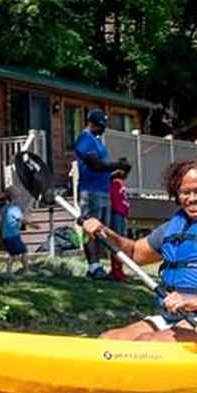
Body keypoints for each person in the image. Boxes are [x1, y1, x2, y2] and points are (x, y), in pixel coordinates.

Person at [80, 151, 197, 343]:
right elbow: (134, 253)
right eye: (185, 192)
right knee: (108, 339)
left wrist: (195, 302)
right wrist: (103, 232)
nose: (192, 199)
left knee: (149, 342)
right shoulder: (174, 228)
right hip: (175, 317)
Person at [73, 108, 125, 279]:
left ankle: (108, 268)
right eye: (101, 125)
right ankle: (93, 267)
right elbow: (94, 164)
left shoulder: (97, 141)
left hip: (103, 190)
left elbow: (101, 167)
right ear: (91, 123)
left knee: (103, 230)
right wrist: (115, 164)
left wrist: (115, 173)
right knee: (90, 229)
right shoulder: (85, 139)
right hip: (90, 191)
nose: (103, 128)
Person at [108, 164, 131, 283]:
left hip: (122, 216)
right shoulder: (114, 184)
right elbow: (114, 200)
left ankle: (119, 269)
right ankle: (115, 270)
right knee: (116, 243)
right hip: (116, 215)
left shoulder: (121, 184)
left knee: (121, 243)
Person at [0, 186, 29, 275]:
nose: (19, 199)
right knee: (24, 251)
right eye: (18, 196)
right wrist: (33, 225)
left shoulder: (4, 208)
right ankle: (26, 271)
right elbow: (21, 220)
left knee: (12, 254)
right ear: (14, 197)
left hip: (6, 236)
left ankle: (8, 272)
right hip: (13, 235)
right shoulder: (14, 209)